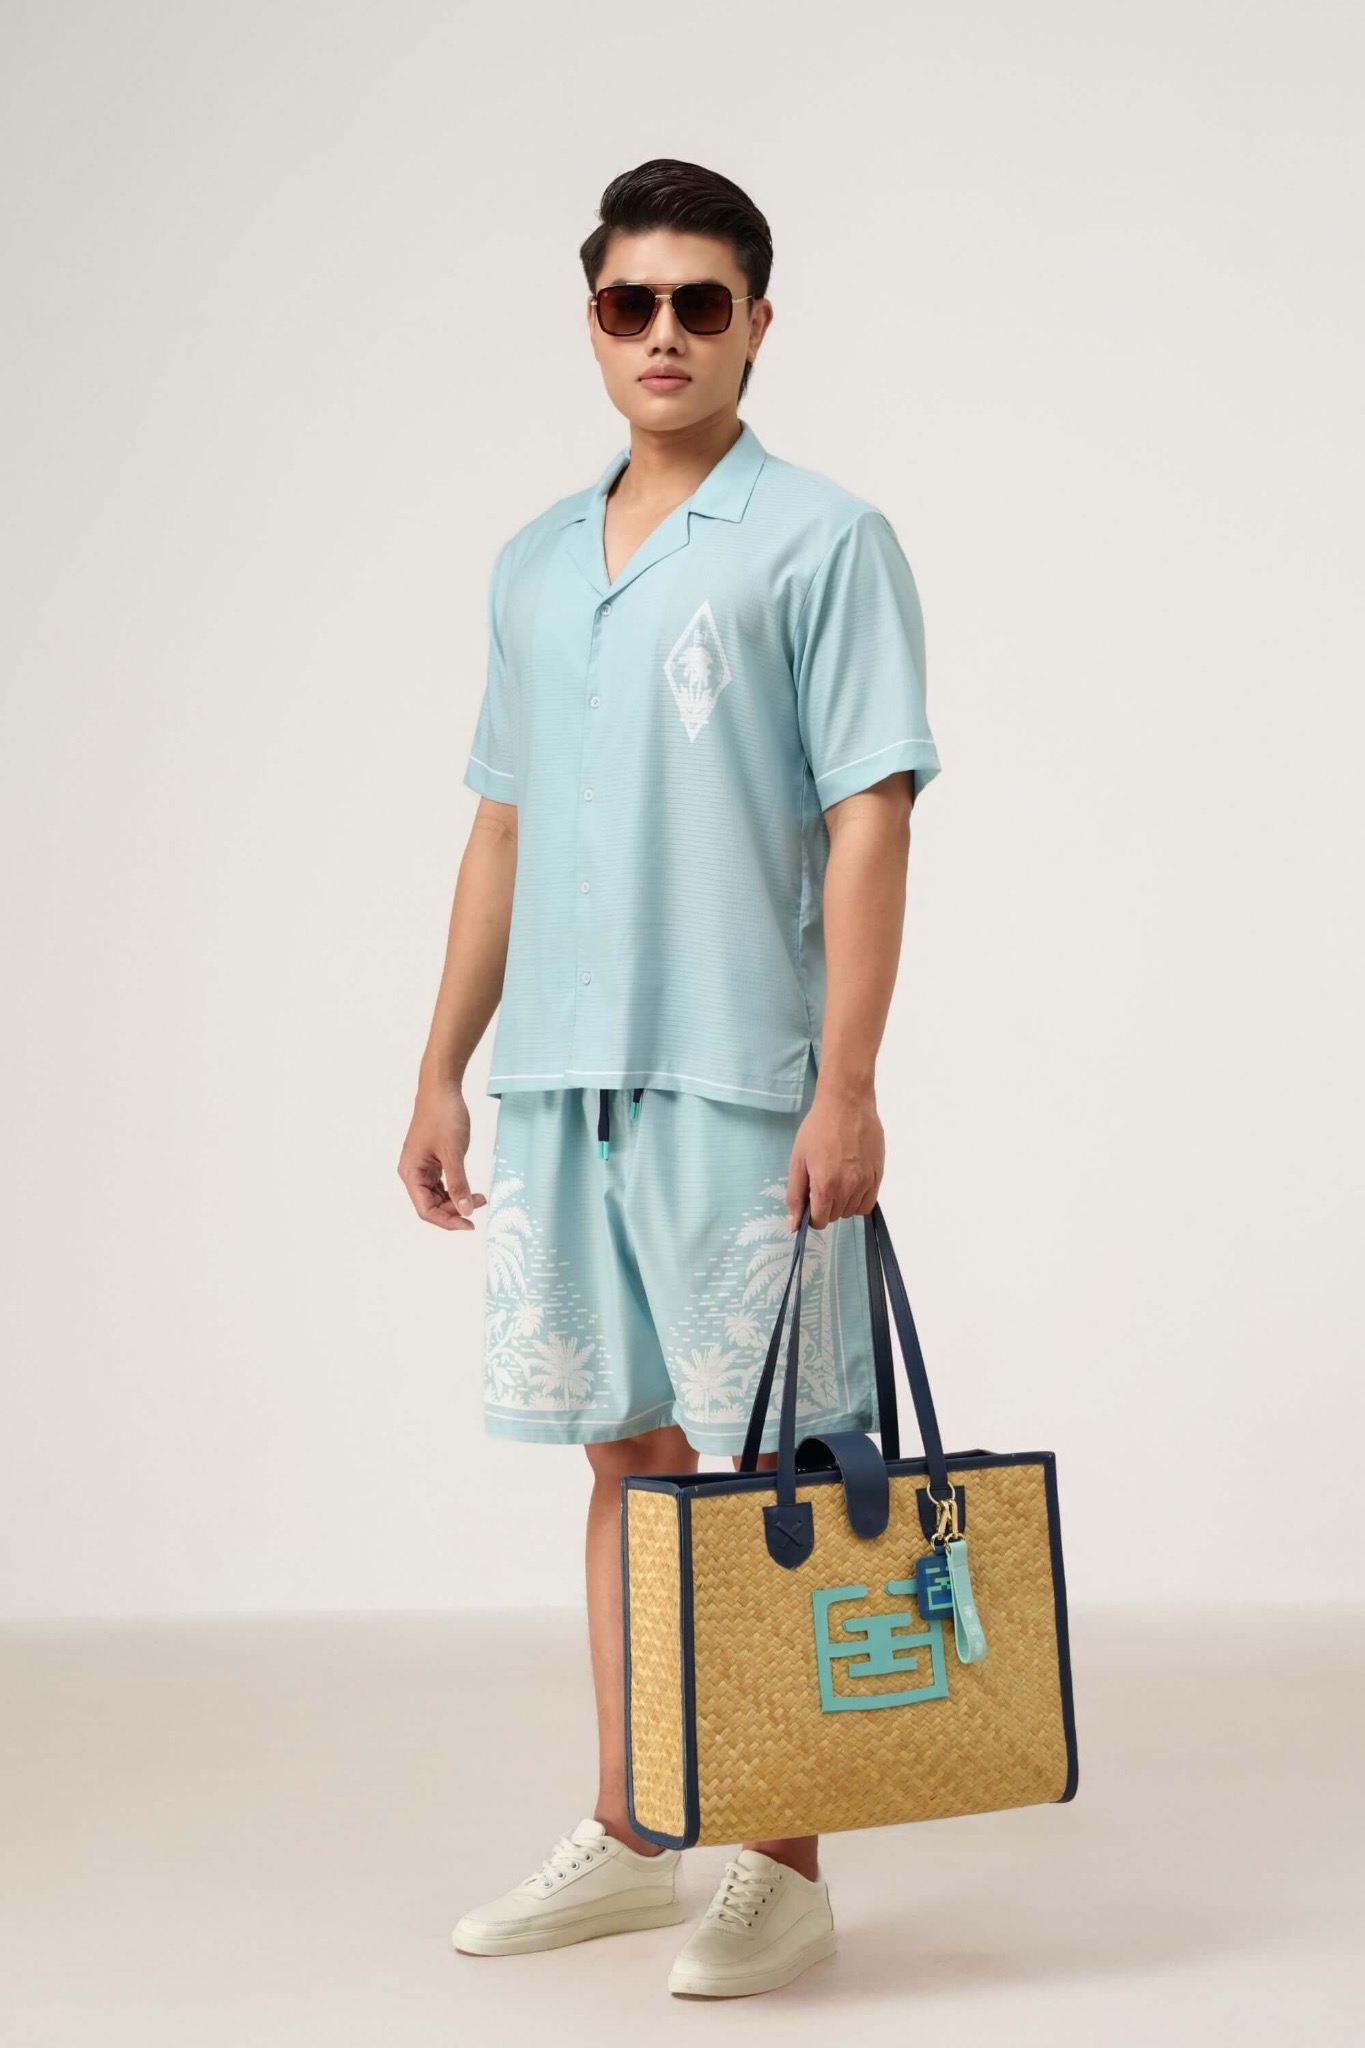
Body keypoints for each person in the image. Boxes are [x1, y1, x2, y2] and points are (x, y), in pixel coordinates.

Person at [397, 156, 941, 1999]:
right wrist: (441, 1067)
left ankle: (781, 1866)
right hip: (559, 1084)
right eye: (630, 302)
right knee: (624, 1456)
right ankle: (639, 1829)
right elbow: (500, 825)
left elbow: (869, 815)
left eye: (699, 303)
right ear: (592, 322)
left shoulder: (822, 540)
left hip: (738, 1080)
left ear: (755, 324)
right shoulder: (536, 561)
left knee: (781, 1465)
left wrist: (846, 1084)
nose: (663, 334)